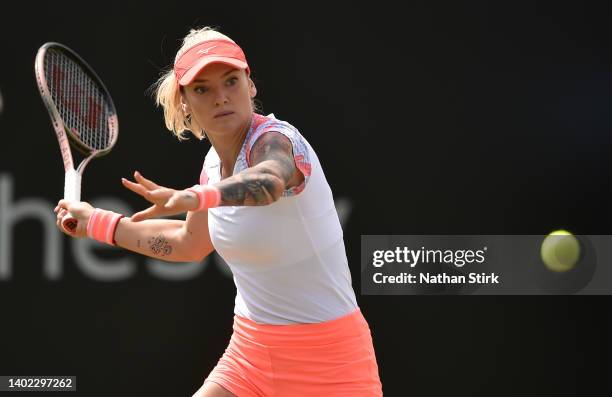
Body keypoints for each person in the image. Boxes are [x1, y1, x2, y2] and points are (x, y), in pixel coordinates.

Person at [54, 26, 383, 397]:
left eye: (231, 81)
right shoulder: (212, 164)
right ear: (184, 102)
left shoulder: (279, 141)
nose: (220, 97)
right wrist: (98, 222)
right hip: (251, 356)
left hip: (332, 365)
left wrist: (198, 197)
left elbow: (270, 181)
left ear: (251, 85)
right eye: (202, 89)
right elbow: (188, 243)